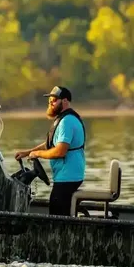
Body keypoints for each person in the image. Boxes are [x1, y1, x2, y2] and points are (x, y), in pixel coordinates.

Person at [15, 86, 86, 216]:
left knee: (57, 214)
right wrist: (28, 152)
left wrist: (37, 154)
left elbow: (60, 151)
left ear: (64, 101)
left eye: (54, 100)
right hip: (67, 176)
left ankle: (63, 235)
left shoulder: (67, 121)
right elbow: (50, 144)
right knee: (57, 208)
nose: (50, 103)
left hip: (68, 177)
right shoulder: (63, 119)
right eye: (49, 101)